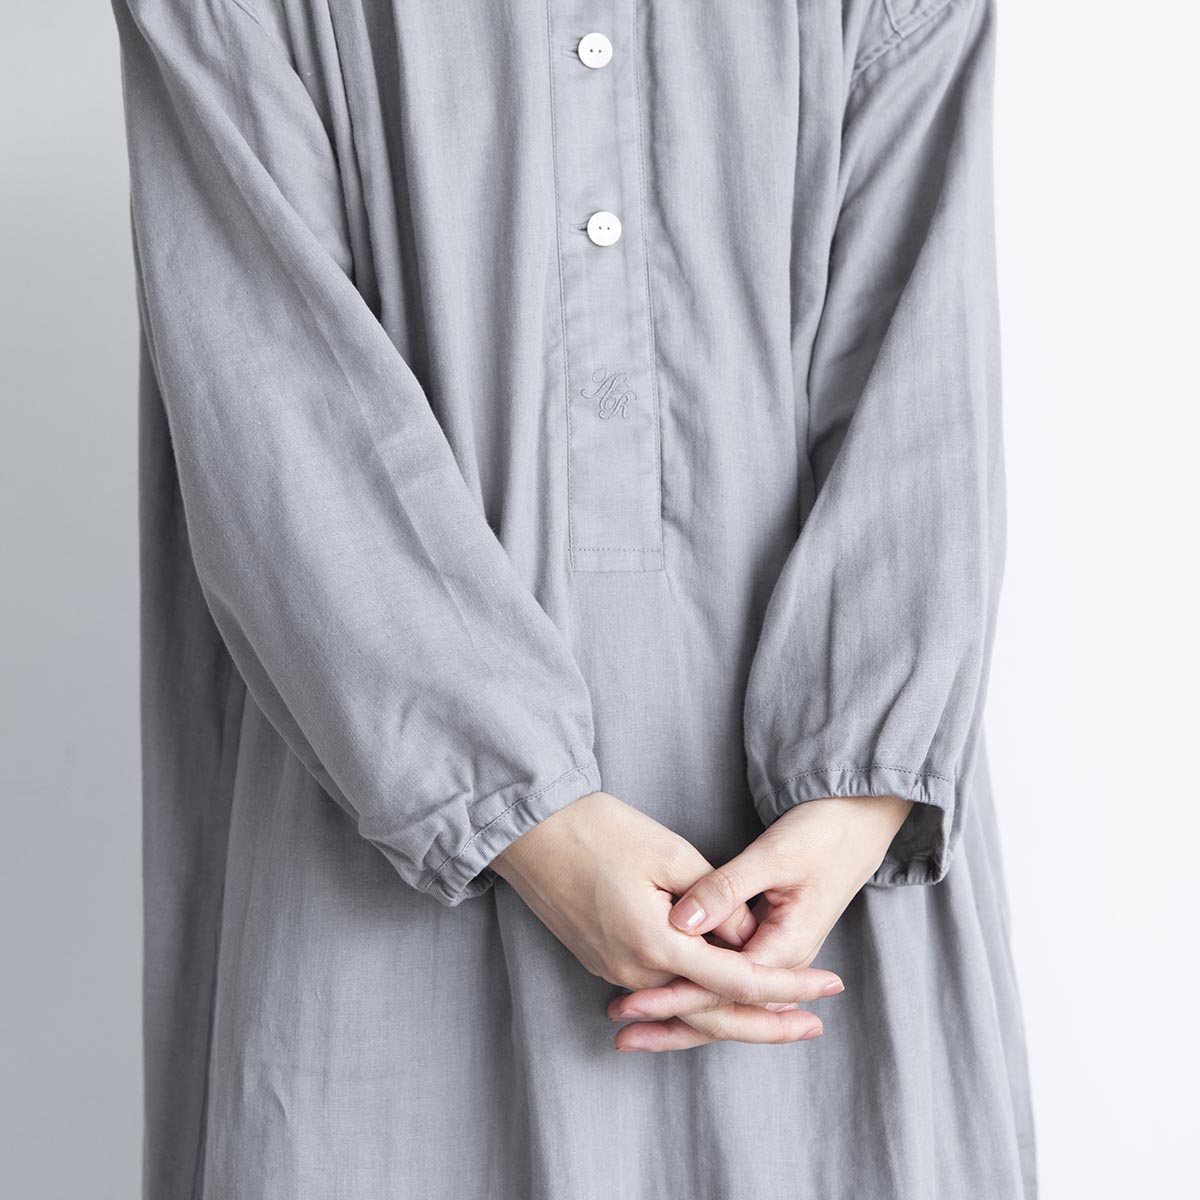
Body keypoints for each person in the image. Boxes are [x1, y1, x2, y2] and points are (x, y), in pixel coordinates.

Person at [111, 0, 1036, 1196]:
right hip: (391, 849)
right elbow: (269, 405)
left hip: (816, 889)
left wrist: (858, 797)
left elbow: (927, 379)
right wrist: (518, 814)